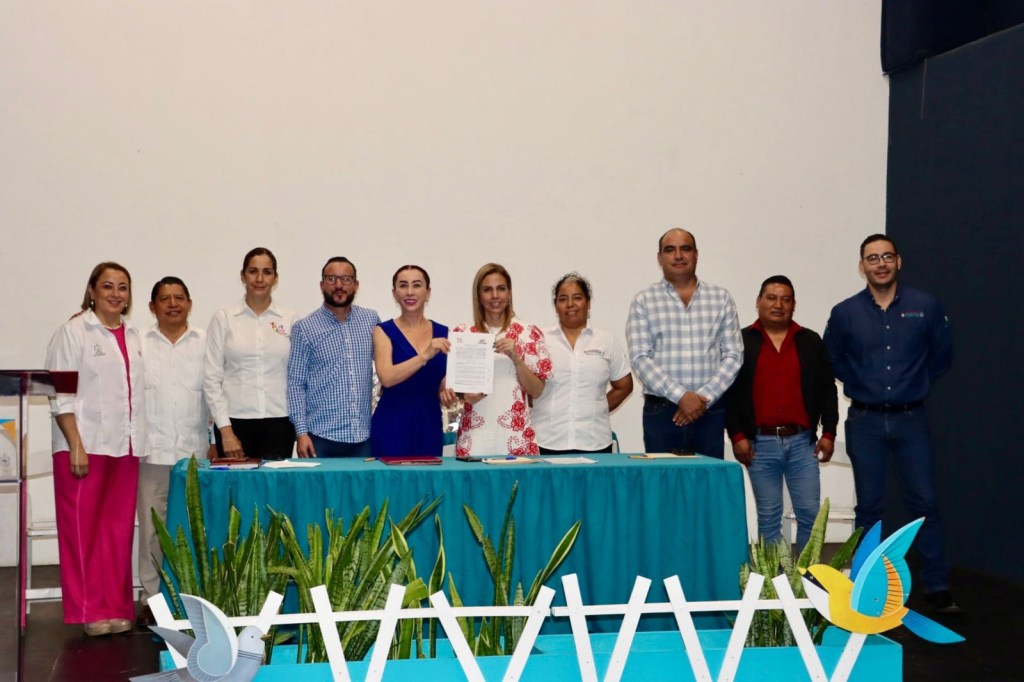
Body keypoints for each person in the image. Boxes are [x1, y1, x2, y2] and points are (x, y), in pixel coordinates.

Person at [824, 234, 957, 612]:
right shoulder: (845, 312)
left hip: (911, 419)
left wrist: (914, 384)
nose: (880, 263)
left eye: (886, 256)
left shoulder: (925, 306)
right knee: (868, 507)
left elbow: (942, 355)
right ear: (862, 266)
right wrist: (861, 383)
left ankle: (937, 587)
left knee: (924, 503)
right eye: (872, 258)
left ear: (898, 261)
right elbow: (832, 358)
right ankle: (867, 585)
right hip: (864, 421)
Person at [44, 262, 146, 636]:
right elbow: (61, 395)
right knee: (82, 533)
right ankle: (88, 612)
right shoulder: (73, 332)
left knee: (116, 533)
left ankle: (116, 607)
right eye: (107, 286)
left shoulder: (134, 335)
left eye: (122, 287)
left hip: (125, 446)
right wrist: (75, 444)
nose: (116, 294)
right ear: (92, 291)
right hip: (83, 446)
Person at [725, 275, 838, 548]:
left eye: (785, 300)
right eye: (772, 298)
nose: (778, 305)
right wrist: (737, 435)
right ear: (758, 301)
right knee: (768, 518)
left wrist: (829, 433)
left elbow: (827, 389)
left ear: (793, 305)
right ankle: (774, 575)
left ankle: (807, 573)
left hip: (803, 444)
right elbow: (729, 394)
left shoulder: (810, 341)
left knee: (810, 515)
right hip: (759, 445)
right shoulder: (740, 342)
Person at [136, 276, 213, 628]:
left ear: (189, 304)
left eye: (179, 297)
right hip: (152, 453)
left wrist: (215, 438)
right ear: (152, 306)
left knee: (194, 528)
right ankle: (152, 600)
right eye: (164, 298)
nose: (172, 304)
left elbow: (214, 392)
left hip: (195, 454)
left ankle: (192, 598)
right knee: (152, 531)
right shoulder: (138, 343)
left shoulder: (205, 341)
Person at [626, 228, 743, 458]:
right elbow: (640, 358)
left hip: (709, 410)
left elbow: (733, 355)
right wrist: (682, 396)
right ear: (660, 258)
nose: (678, 256)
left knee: (708, 479)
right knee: (663, 479)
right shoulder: (644, 301)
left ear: (696, 254)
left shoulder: (721, 298)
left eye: (685, 249)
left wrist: (702, 399)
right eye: (670, 250)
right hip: (662, 413)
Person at [449, 263, 552, 457]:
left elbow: (537, 391)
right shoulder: (463, 334)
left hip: (516, 436)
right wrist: (463, 395)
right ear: (479, 296)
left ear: (509, 293)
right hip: (475, 437)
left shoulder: (529, 333)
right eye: (487, 290)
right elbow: (455, 389)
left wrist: (516, 358)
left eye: (501, 288)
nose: (495, 295)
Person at [205, 247, 298, 459]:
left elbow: (298, 377)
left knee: (275, 482)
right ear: (243, 275)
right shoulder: (224, 318)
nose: (259, 279)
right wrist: (225, 430)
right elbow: (211, 379)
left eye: (267, 272)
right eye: (253, 271)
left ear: (275, 278)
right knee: (236, 483)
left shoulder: (290, 319)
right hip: (234, 424)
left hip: (280, 421)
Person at [287, 257, 380, 458]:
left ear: (356, 285)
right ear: (322, 285)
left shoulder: (371, 320)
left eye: (346, 279)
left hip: (363, 437)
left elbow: (387, 366)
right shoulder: (304, 328)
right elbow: (295, 384)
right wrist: (301, 433)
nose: (339, 285)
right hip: (320, 439)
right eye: (331, 279)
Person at [532, 273, 633, 454]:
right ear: (556, 306)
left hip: (595, 442)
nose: (570, 304)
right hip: (546, 441)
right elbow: (525, 386)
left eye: (577, 298)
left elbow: (624, 386)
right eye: (563, 299)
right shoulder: (539, 339)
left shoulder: (606, 340)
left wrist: (597, 409)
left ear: (588, 303)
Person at [370, 265, 450, 457]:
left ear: (428, 292)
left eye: (417, 285)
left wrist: (450, 392)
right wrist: (424, 356)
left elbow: (443, 383)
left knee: (429, 477)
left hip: (429, 425)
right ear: (395, 293)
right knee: (389, 477)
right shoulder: (383, 331)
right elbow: (387, 378)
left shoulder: (444, 333)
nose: (410, 292)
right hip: (391, 425)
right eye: (403, 285)